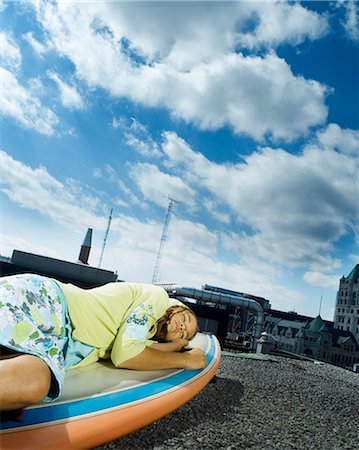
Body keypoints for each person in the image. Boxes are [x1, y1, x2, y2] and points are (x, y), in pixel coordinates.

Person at [0, 273, 206, 412]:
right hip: (47, 304)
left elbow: (142, 347)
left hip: (53, 333)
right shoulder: (158, 298)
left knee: (32, 381)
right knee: (33, 382)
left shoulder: (142, 331)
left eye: (184, 334)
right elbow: (127, 354)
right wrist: (186, 360)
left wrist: (176, 346)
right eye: (185, 320)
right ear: (177, 307)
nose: (182, 329)